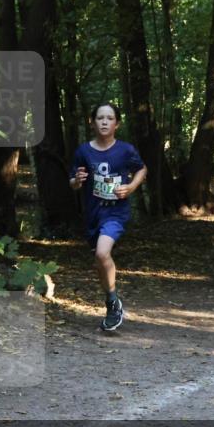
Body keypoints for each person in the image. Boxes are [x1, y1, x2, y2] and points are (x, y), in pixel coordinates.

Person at [69, 103, 147, 331]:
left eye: (109, 118)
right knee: (99, 262)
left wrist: (131, 187)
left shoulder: (125, 150)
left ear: (117, 123)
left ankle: (113, 304)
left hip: (116, 212)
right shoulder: (83, 151)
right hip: (93, 214)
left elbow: (142, 169)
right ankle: (112, 300)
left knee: (103, 252)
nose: (104, 122)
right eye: (100, 118)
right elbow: (73, 182)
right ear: (91, 122)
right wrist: (77, 181)